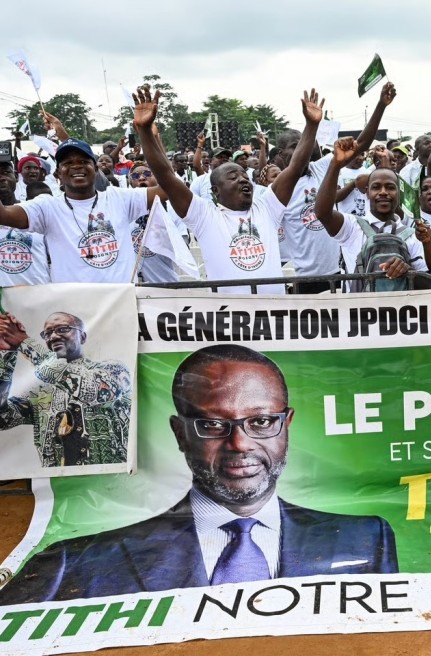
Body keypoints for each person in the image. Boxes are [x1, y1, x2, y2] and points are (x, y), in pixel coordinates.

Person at [0, 344, 398, 604]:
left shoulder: (368, 538)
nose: (240, 444)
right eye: (212, 425)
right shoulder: (76, 562)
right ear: (179, 433)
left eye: (261, 421)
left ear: (286, 424)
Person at [135, 87, 324, 294]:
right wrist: (145, 131)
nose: (242, 179)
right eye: (233, 177)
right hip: (229, 314)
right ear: (215, 191)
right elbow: (166, 176)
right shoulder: (204, 215)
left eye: (244, 176)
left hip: (274, 312)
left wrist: (311, 126)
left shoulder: (267, 207)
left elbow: (295, 166)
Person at [275, 82, 396, 291]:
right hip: (304, 280)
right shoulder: (278, 190)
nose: (303, 149)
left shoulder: (322, 167)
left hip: (338, 273)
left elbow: (362, 143)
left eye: (305, 143)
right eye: (295, 146)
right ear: (280, 154)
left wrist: (380, 106)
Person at [0, 138, 165, 283]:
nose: (77, 166)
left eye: (84, 161)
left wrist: (146, 133)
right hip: (72, 306)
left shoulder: (120, 199)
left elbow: (168, 189)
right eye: (68, 163)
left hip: (121, 303)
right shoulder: (46, 207)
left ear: (95, 169)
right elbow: (4, 215)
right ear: (58, 173)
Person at [0, 311, 132, 468]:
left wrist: (24, 342)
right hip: (58, 481)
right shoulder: (39, 392)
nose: (53, 336)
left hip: (109, 480)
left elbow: (90, 390)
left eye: (62, 329)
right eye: (48, 333)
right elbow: (3, 419)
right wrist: (7, 353)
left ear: (83, 337)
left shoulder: (113, 370)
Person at [315, 136, 427, 279]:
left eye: (390, 187)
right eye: (376, 187)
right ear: (367, 192)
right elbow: (322, 213)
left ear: (399, 193)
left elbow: (428, 283)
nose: (383, 192)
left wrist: (408, 272)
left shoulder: (412, 236)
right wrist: (335, 165)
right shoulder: (351, 227)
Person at [0, 160, 50, 286]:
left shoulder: (38, 211)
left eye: (5, 172)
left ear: (16, 176)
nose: (1, 178)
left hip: (38, 293)